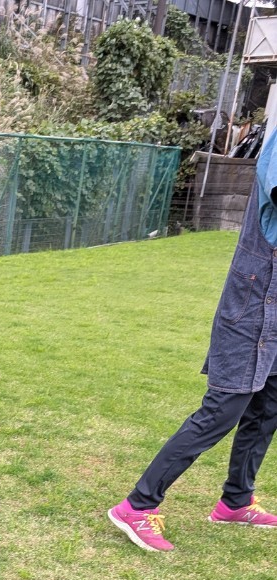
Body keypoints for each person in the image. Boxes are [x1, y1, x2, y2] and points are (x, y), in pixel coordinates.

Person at [108, 127, 277, 551]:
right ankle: (137, 505)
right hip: (256, 300)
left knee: (267, 407)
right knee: (223, 408)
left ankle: (235, 502)